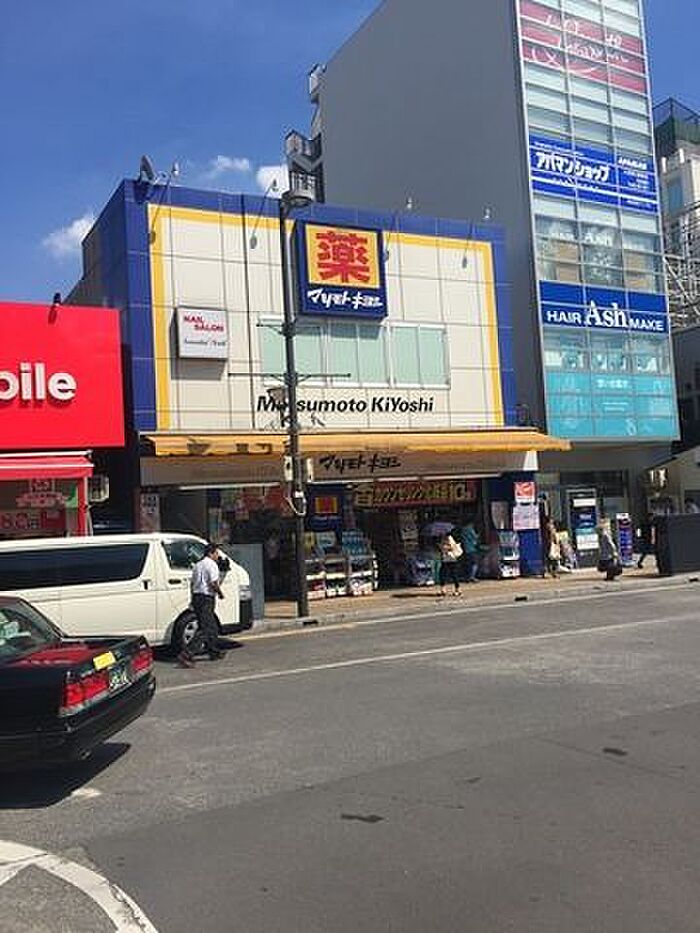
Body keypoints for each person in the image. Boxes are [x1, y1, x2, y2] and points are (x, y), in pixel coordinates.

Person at [178, 543, 226, 668]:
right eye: (216, 553)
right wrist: (220, 593)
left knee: (211, 626)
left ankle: (213, 651)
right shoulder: (212, 565)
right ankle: (186, 654)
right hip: (206, 598)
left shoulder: (197, 565)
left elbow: (192, 584)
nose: (217, 556)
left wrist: (192, 599)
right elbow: (213, 583)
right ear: (211, 553)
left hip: (197, 597)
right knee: (206, 629)